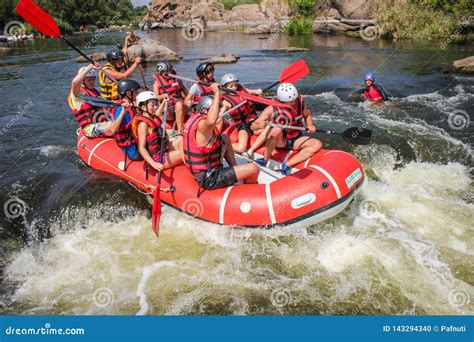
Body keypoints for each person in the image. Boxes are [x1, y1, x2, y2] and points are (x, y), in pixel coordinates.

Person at [183, 83, 259, 190]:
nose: (218, 113)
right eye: (215, 111)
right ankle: (250, 191)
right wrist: (217, 93)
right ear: (204, 110)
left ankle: (235, 170)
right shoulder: (203, 125)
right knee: (253, 168)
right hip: (210, 177)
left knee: (224, 138)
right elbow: (211, 120)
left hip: (206, 168)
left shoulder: (195, 118)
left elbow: (214, 132)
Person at [250, 83, 322, 176]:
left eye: (294, 100)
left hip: (296, 138)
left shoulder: (299, 102)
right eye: (290, 101)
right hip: (281, 141)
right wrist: (259, 125)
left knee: (317, 144)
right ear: (281, 100)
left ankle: (286, 165)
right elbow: (253, 126)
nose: (293, 103)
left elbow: (307, 115)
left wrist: (310, 125)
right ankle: (265, 159)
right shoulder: (271, 109)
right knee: (276, 130)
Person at [68, 63, 127, 138]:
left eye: (93, 79)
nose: (92, 82)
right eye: (89, 80)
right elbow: (74, 82)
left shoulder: (94, 92)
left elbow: (106, 103)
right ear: (82, 81)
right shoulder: (77, 94)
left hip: (101, 121)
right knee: (112, 126)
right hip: (90, 128)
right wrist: (90, 67)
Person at [132, 91, 183, 171]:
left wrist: (164, 102)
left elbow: (156, 115)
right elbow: (141, 147)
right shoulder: (143, 125)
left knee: (182, 141)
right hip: (158, 158)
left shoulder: (151, 117)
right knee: (182, 153)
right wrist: (153, 163)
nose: (155, 107)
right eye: (152, 105)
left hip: (164, 148)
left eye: (156, 104)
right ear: (143, 107)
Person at [219, 73, 263, 153]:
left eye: (235, 85)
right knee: (241, 148)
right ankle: (221, 145)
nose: (234, 88)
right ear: (225, 88)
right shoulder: (226, 101)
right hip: (242, 125)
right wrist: (220, 114)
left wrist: (257, 91)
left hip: (253, 120)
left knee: (266, 129)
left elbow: (248, 91)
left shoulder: (240, 89)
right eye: (231, 86)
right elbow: (222, 111)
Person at [153, 61, 188, 134]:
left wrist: (189, 100)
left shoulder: (177, 79)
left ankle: (179, 130)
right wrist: (162, 96)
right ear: (160, 73)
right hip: (169, 108)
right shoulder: (156, 84)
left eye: (170, 71)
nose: (169, 74)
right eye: (166, 72)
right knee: (165, 108)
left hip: (181, 106)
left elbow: (185, 91)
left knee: (178, 105)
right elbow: (156, 98)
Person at [112, 79, 142, 161]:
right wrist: (123, 112)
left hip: (136, 141)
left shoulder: (132, 106)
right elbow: (113, 129)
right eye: (136, 91)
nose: (138, 94)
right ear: (128, 93)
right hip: (131, 149)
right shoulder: (120, 109)